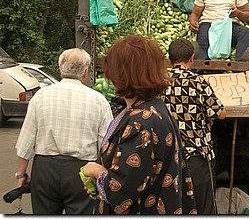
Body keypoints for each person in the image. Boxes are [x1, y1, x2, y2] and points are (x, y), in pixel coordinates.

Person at [81, 35, 197, 215]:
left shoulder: (140, 122)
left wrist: (96, 171)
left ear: (120, 73)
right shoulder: (153, 109)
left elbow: (121, 190)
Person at [15, 48, 113, 215]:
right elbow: (106, 144)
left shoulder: (40, 96)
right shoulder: (98, 101)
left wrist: (21, 175)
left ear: (60, 69)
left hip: (44, 170)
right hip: (82, 171)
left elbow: (26, 140)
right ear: (86, 72)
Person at [165, 38, 227, 214]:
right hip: (196, 156)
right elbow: (219, 113)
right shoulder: (198, 81)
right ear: (192, 58)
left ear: (169, 59)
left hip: (169, 156)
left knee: (174, 205)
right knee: (203, 206)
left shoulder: (160, 82)